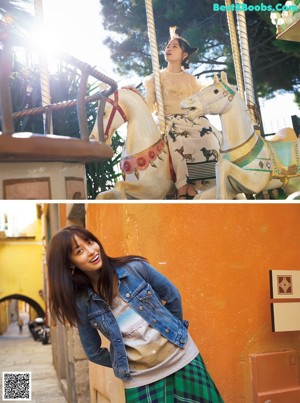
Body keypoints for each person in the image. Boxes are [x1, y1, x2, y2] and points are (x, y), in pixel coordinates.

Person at [47, 225, 224, 403]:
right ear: (70, 263)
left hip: (181, 358)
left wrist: (173, 334)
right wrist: (124, 362)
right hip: (141, 379)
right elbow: (93, 351)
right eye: (79, 251)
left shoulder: (135, 268)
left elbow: (172, 296)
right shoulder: (83, 303)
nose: (91, 251)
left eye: (90, 242)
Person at [144, 27, 221, 199]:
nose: (168, 49)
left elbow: (197, 105)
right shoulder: (155, 79)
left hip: (190, 120)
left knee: (208, 136)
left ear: (184, 55)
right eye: (168, 46)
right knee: (176, 140)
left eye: (174, 46)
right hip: (168, 121)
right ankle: (183, 186)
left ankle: (202, 181)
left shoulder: (191, 80)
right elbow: (149, 106)